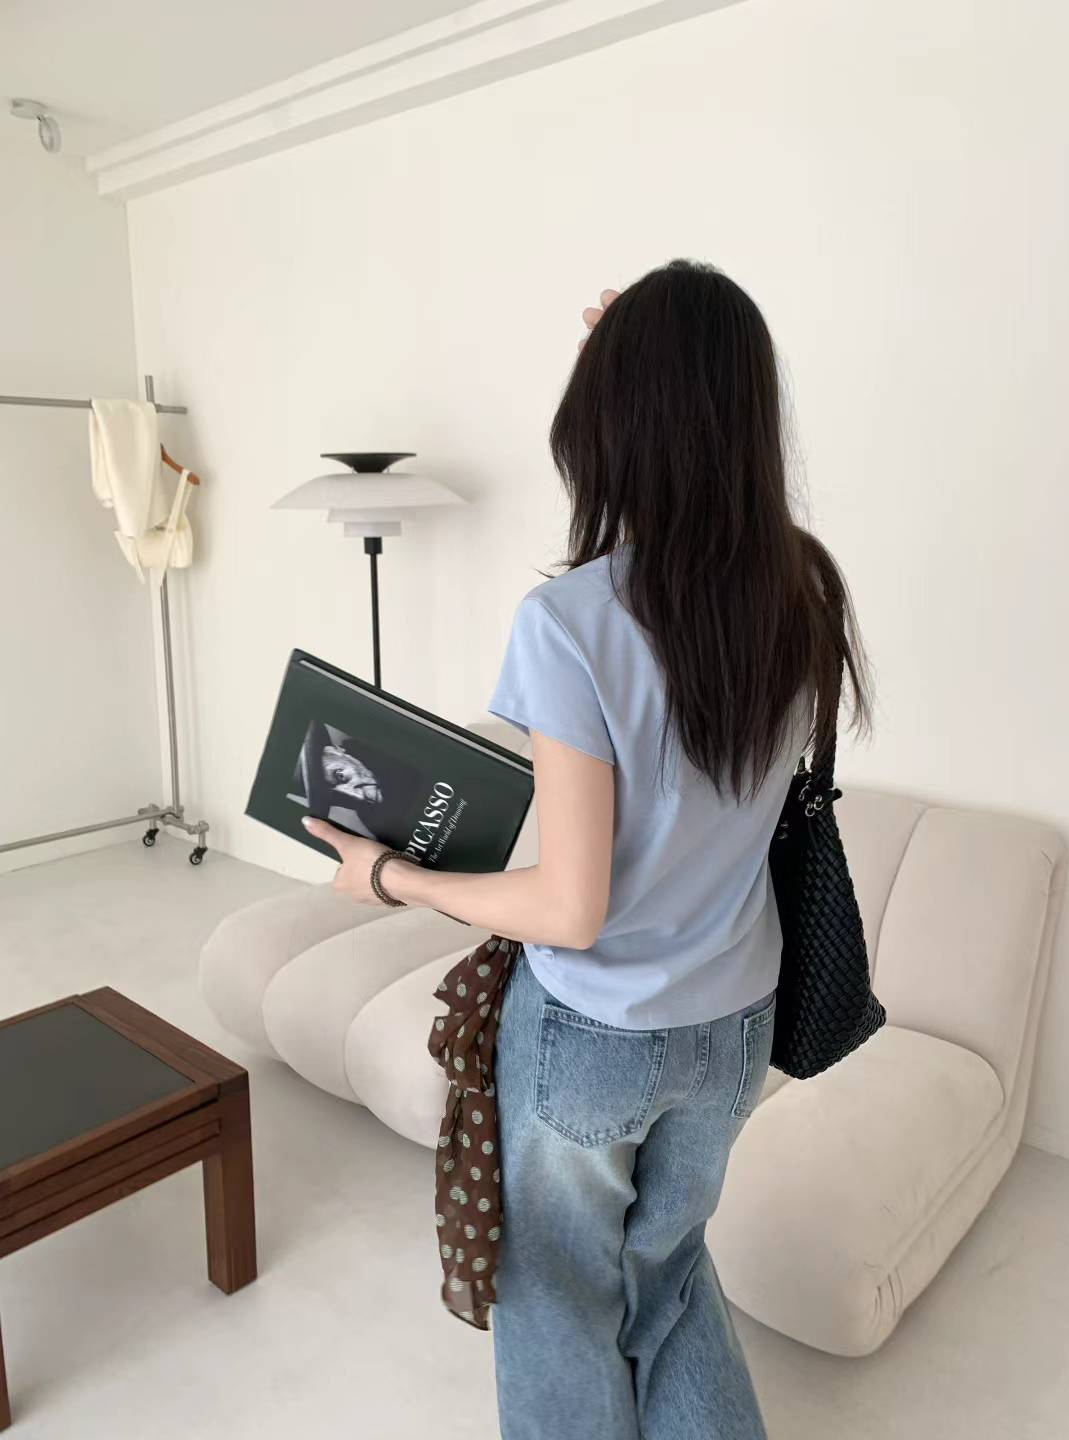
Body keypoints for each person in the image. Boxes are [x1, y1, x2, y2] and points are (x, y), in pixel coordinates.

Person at [304, 258, 872, 1439]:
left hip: (595, 1033)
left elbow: (570, 908)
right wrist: (635, 348)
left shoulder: (570, 624)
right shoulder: (804, 592)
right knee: (670, 1280)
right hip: (735, 1026)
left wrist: (392, 876)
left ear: (611, 422)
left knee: (561, 1304)